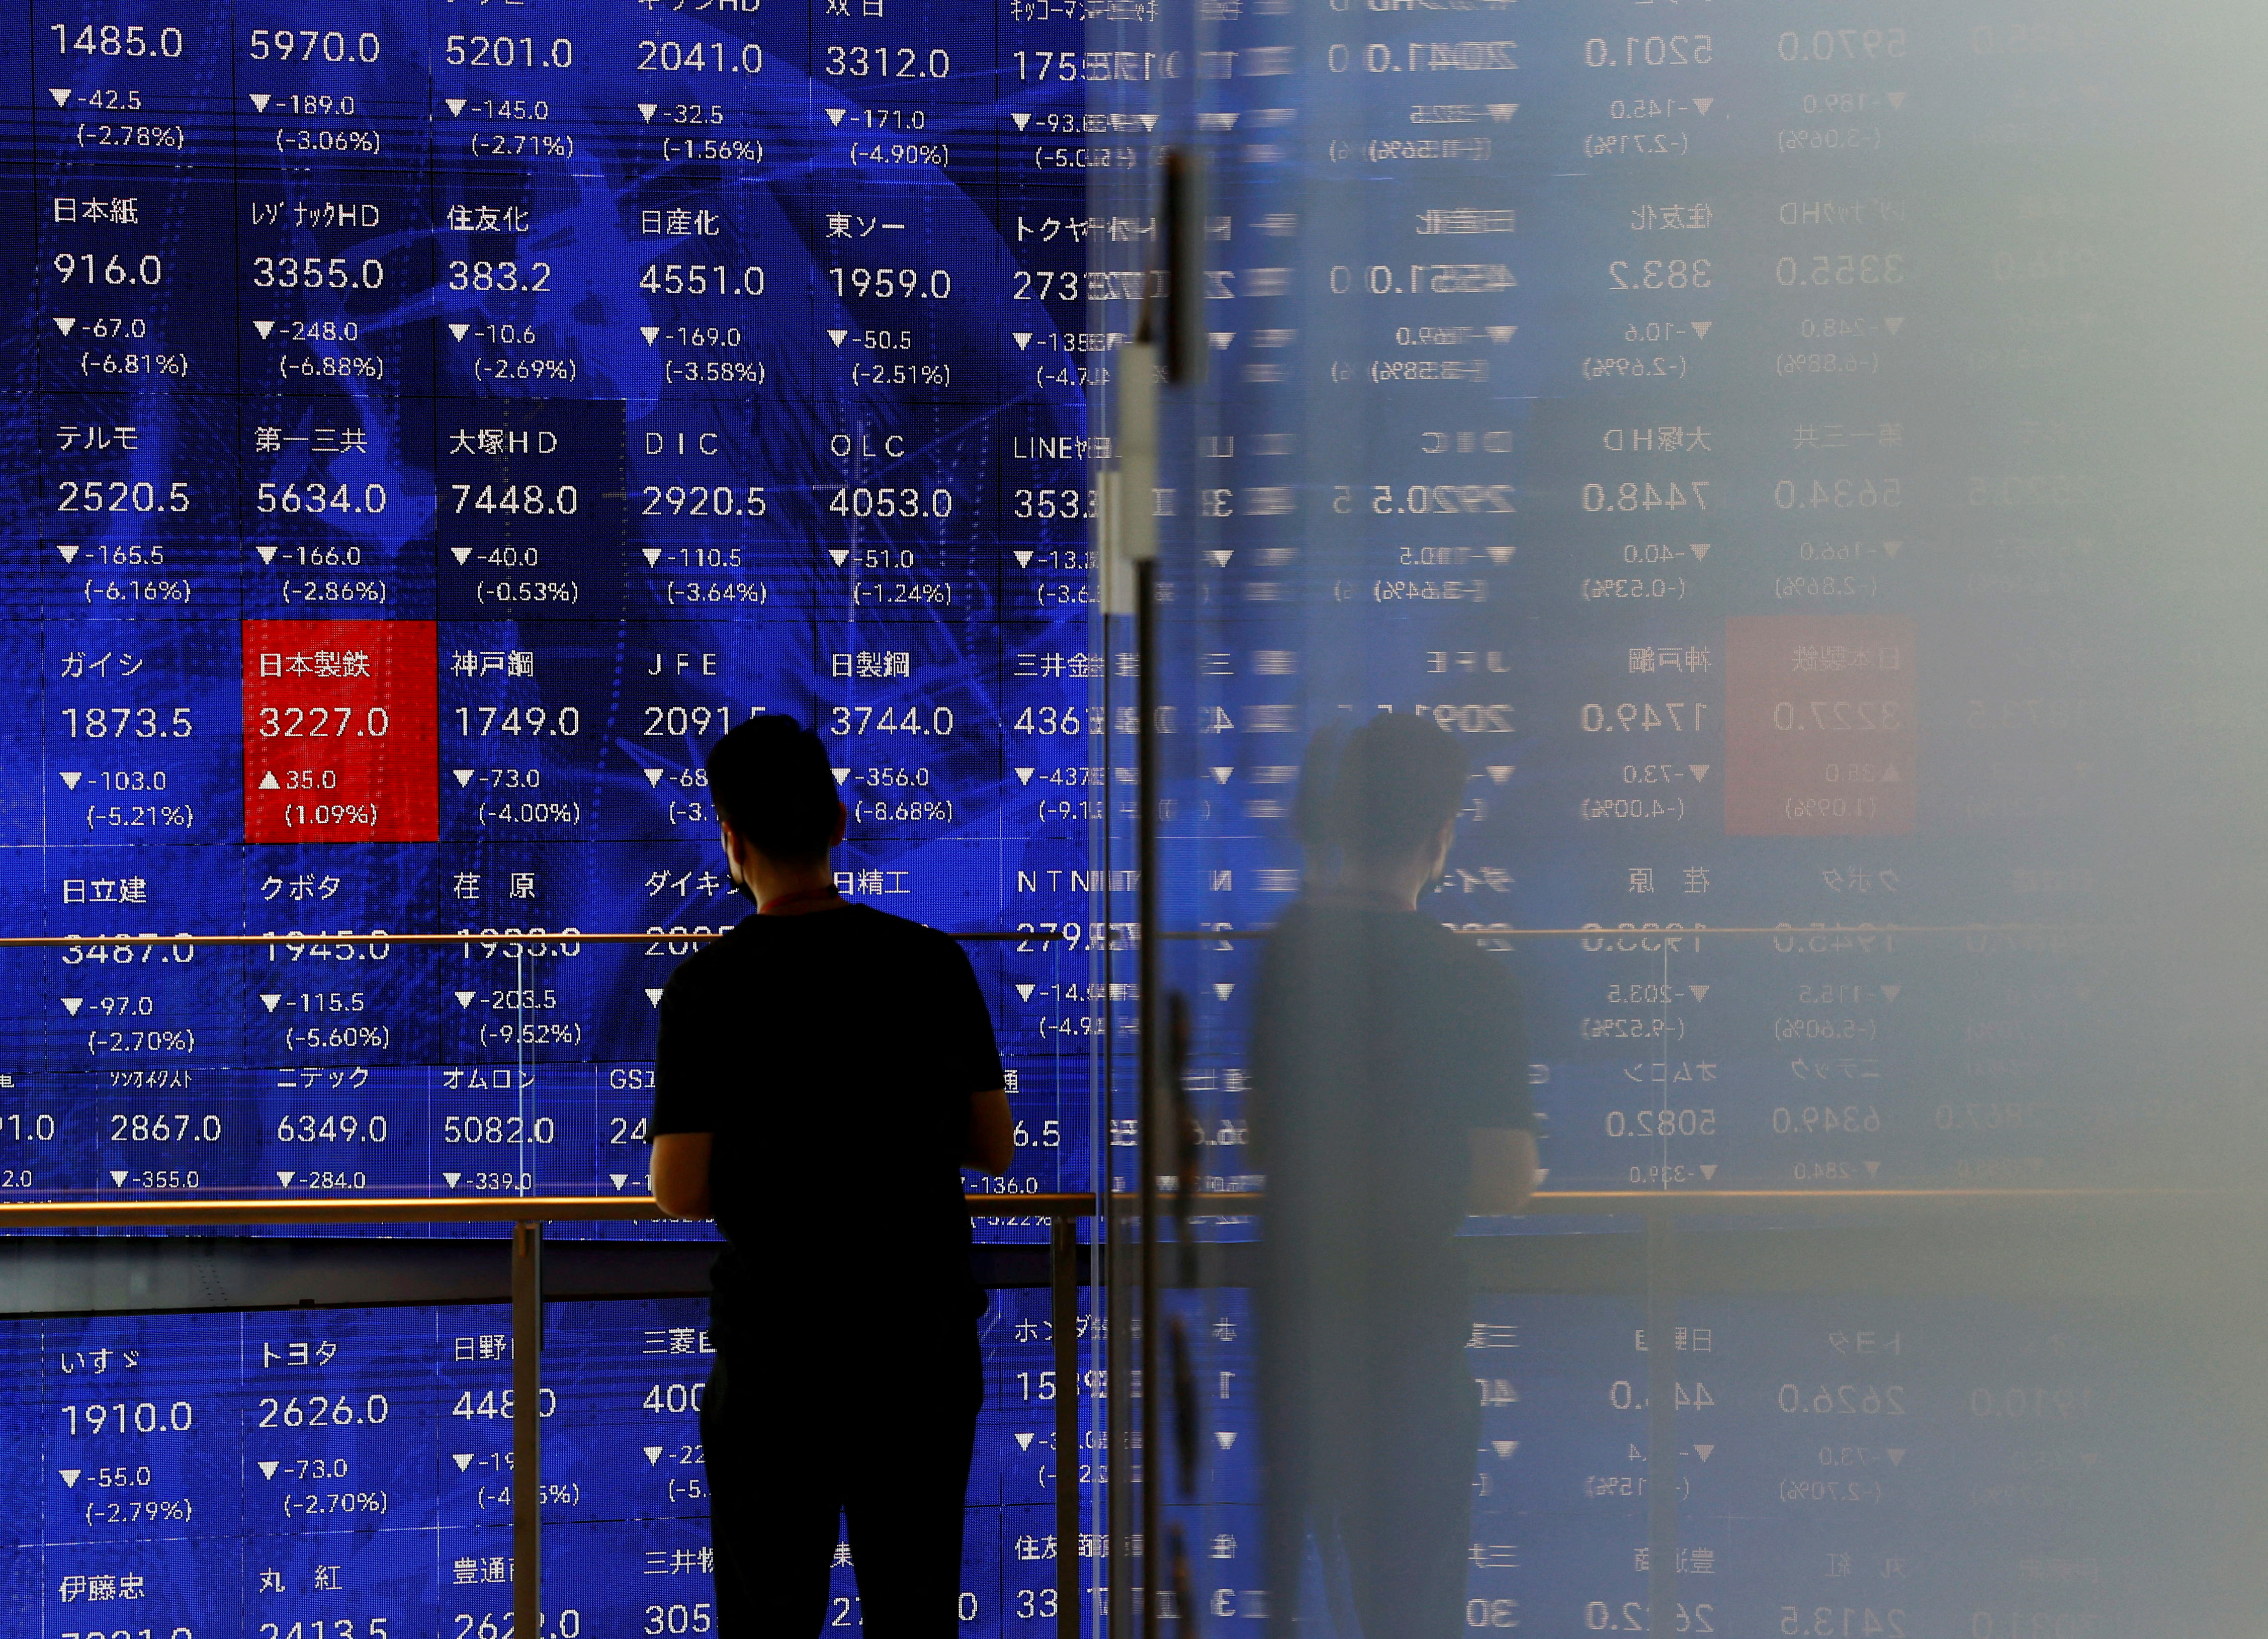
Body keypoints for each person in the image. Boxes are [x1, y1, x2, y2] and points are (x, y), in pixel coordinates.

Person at [647, 714, 1015, 1636]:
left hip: (777, 1353)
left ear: (731, 839)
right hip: (917, 1347)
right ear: (839, 824)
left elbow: (679, 1188)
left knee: (769, 1616)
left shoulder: (707, 987)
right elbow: (994, 1145)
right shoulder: (931, 963)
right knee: (916, 1606)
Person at [1250, 713, 1540, 1639]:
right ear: (1440, 835)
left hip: (1296, 1334)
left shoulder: (1290, 953)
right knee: (1411, 1612)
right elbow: (1505, 1181)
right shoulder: (1472, 981)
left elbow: (1263, 1137)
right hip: (1410, 1343)